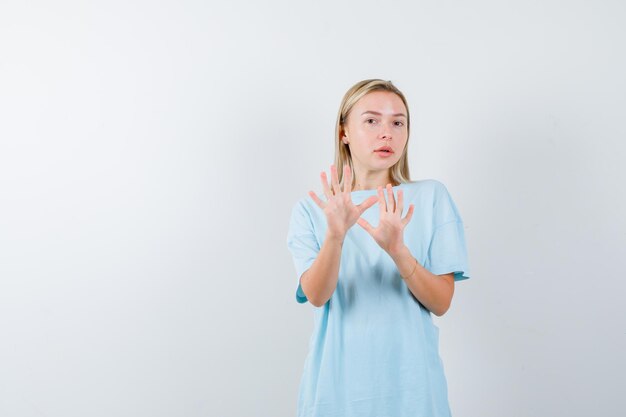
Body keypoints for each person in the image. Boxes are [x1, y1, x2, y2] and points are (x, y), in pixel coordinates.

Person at [286, 79, 470, 417]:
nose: (387, 133)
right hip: (334, 393)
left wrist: (398, 251)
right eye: (371, 120)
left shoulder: (430, 198)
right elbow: (316, 295)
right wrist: (336, 236)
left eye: (398, 122)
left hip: (413, 393)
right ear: (344, 131)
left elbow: (441, 302)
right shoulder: (313, 209)